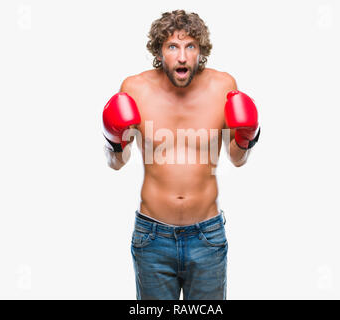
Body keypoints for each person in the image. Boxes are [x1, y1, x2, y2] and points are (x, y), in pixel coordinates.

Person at [102, 9, 260, 300]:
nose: (183, 57)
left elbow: (237, 159)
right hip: (152, 238)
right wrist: (114, 141)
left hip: (207, 236)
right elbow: (116, 164)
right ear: (159, 51)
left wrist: (248, 136)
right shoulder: (134, 88)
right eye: (173, 46)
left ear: (201, 51)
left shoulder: (223, 86)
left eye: (190, 46)